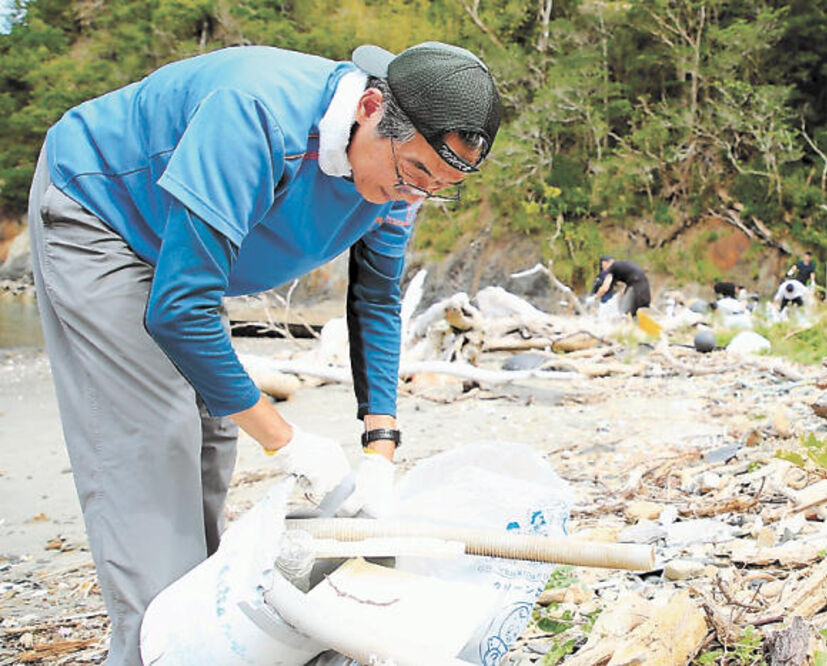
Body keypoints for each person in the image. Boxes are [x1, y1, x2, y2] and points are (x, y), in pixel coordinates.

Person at [26, 41, 501, 665]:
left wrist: (380, 444)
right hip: (104, 214)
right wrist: (288, 443)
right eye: (415, 175)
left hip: (188, 255)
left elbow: (378, 299)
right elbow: (179, 309)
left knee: (214, 437)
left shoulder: (404, 178)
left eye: (440, 188)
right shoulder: (253, 115)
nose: (415, 195)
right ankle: (157, 646)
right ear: (370, 107)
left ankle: (202, 623)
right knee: (152, 443)